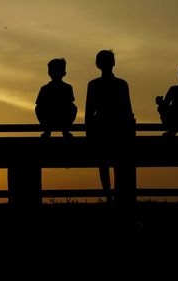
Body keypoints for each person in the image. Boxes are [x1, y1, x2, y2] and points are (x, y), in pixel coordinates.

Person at [85, 50, 135, 204]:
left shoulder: (94, 85)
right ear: (113, 63)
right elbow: (128, 110)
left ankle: (109, 195)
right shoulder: (121, 84)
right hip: (117, 129)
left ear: (97, 64)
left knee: (104, 164)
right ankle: (115, 196)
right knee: (116, 164)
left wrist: (89, 132)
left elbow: (88, 112)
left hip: (102, 129)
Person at [35, 58, 77, 138]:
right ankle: (49, 130)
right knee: (39, 107)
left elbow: (69, 103)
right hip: (50, 117)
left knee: (72, 107)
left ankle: (61, 130)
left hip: (60, 116)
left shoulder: (66, 88)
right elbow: (39, 105)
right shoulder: (46, 88)